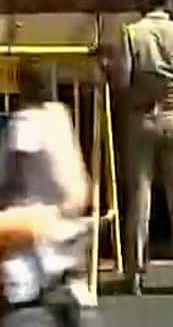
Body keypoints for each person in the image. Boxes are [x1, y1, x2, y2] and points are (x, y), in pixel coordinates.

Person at [109, 0, 173, 295]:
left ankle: (135, 273)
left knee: (141, 198)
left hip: (142, 121)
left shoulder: (131, 35)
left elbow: (122, 86)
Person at [0, 60, 93, 326]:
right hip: (69, 224)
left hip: (36, 231)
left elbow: (7, 179)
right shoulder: (59, 115)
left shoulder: (25, 124)